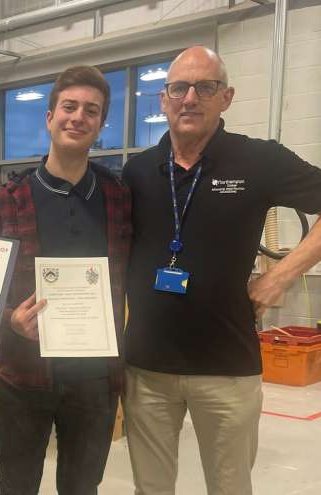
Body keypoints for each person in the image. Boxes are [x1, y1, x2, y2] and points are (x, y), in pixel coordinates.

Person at [122, 46, 321, 495]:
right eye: (179, 88)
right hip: (147, 370)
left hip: (228, 368)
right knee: (150, 488)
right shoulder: (136, 171)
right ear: (164, 99)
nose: (190, 98)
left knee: (229, 487)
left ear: (226, 97)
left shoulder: (259, 160)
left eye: (205, 87)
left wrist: (282, 274)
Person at [0, 66, 132, 495]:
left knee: (83, 488)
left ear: (100, 125)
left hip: (95, 380)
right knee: (15, 485)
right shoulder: (6, 203)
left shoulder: (118, 199)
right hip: (22, 376)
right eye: (69, 107)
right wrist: (11, 319)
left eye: (91, 110)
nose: (78, 117)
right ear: (49, 117)